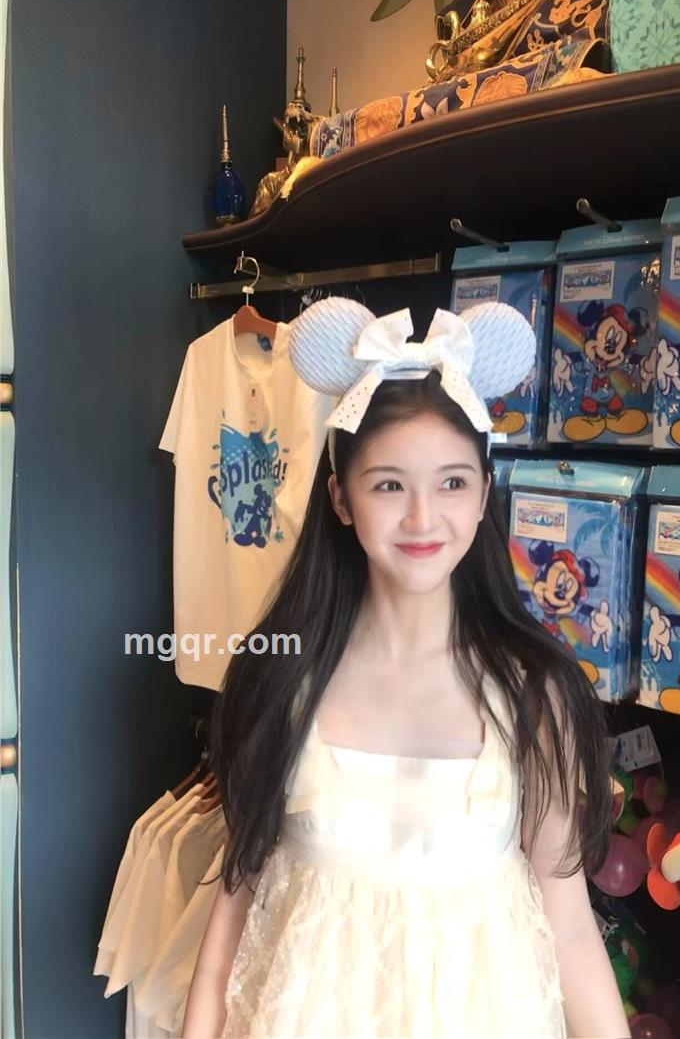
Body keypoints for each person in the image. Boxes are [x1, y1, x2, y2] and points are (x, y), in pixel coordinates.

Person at [182, 298, 630, 1039]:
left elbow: (572, 931)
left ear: (483, 495)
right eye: (389, 484)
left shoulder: (532, 693)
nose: (423, 518)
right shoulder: (283, 680)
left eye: (452, 483)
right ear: (341, 497)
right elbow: (230, 919)